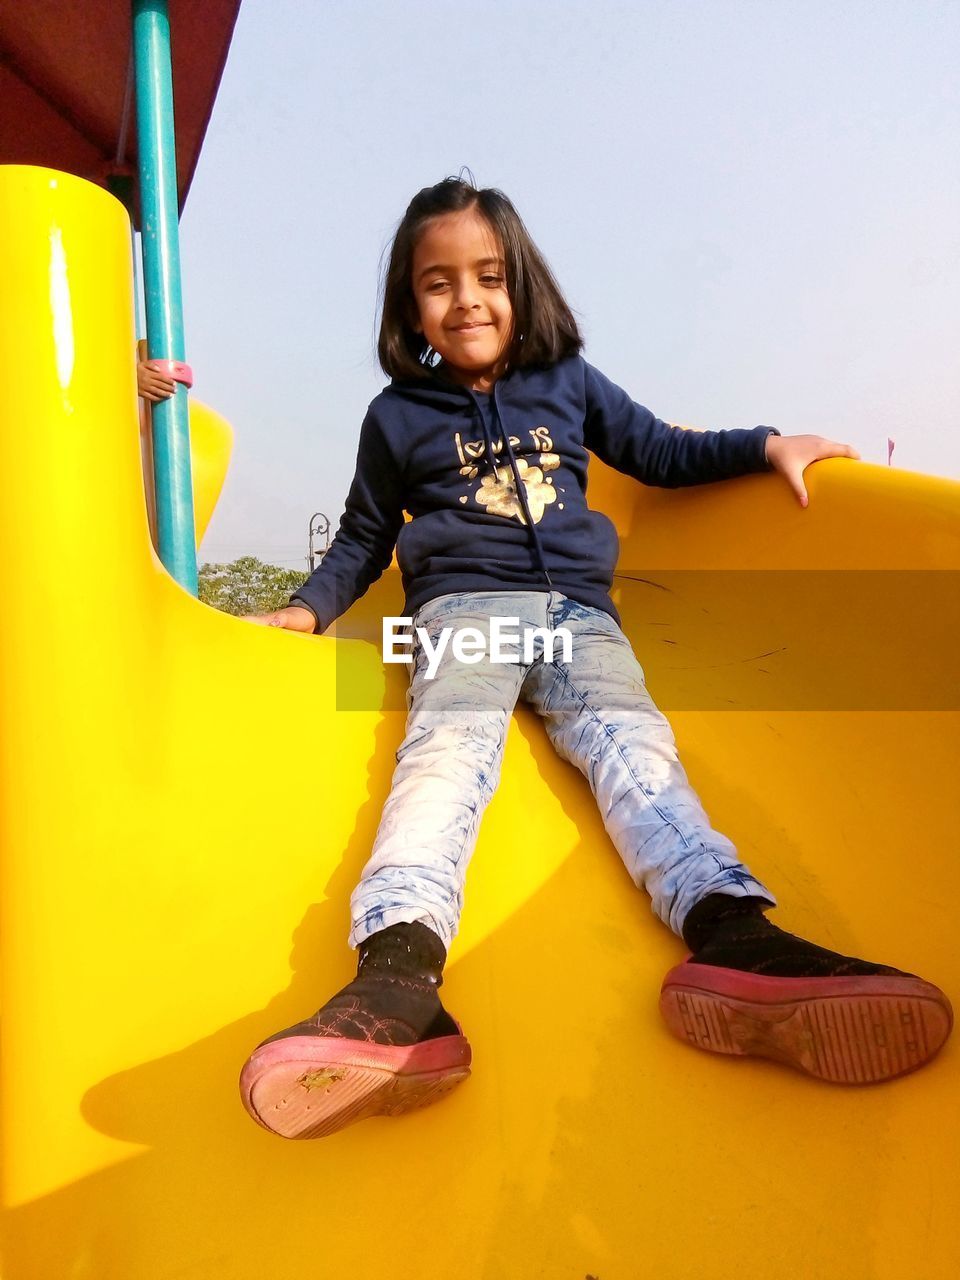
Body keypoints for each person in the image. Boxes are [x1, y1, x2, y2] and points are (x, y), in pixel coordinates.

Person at [238, 178, 952, 1141]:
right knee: (446, 759)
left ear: (522, 285)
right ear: (410, 308)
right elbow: (364, 536)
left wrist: (770, 442)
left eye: (488, 276)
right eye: (438, 283)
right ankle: (397, 979)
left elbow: (659, 450)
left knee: (637, 753)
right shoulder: (396, 416)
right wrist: (309, 611)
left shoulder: (568, 381)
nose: (468, 300)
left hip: (580, 614)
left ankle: (737, 936)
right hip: (466, 614)